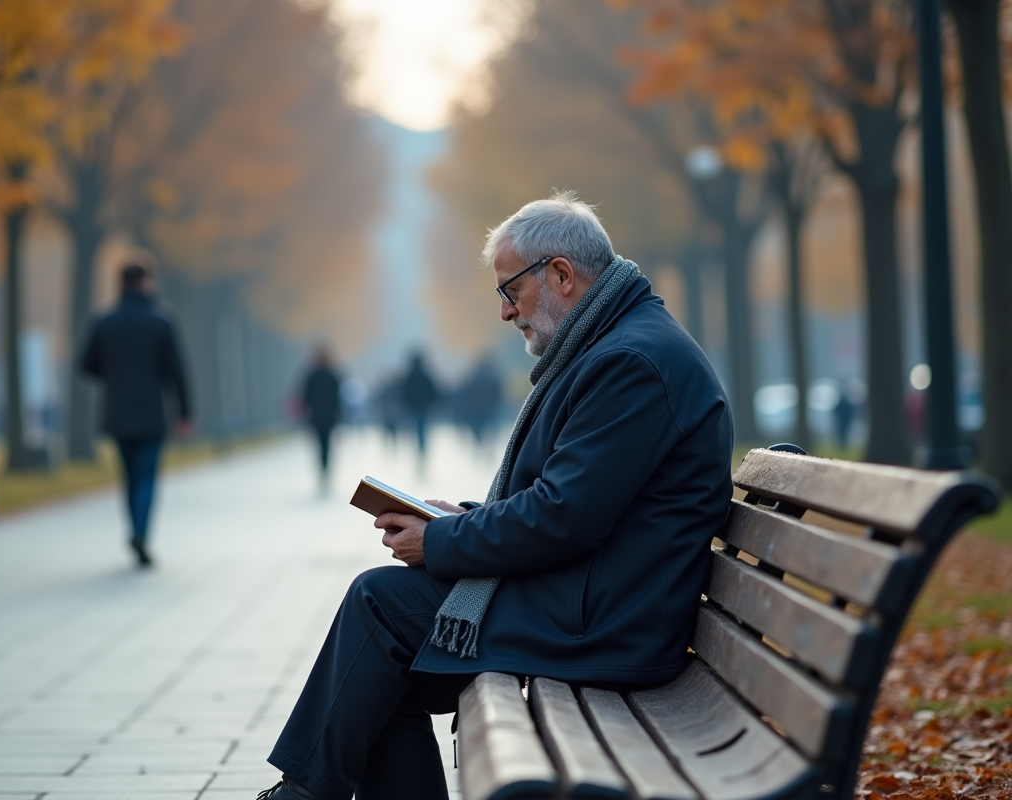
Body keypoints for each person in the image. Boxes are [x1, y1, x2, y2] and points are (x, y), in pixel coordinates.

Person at [256, 190, 733, 800]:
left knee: (378, 605)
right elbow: (570, 500)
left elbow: (564, 517)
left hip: (610, 621)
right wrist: (463, 519)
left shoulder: (633, 361)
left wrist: (443, 540)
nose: (507, 312)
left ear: (560, 274)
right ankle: (304, 791)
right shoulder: (615, 345)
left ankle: (303, 794)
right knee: (380, 663)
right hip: (599, 593)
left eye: (511, 290)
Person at [79, 262, 192, 568]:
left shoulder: (104, 321)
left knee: (129, 477)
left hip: (117, 410)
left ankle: (134, 529)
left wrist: (114, 371)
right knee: (147, 477)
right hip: (151, 412)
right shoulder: (161, 320)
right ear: (145, 283)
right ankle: (141, 532)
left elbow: (86, 364)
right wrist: (184, 413)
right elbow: (177, 372)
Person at [302, 347, 342, 493]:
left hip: (316, 417)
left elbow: (305, 397)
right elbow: (338, 398)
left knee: (319, 445)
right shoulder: (333, 376)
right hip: (330, 417)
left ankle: (322, 471)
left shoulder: (311, 376)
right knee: (327, 445)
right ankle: (326, 470)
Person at [400, 351, 439, 466]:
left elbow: (404, 393)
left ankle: (418, 452)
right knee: (422, 431)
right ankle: (421, 452)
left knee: (413, 431)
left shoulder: (409, 376)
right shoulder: (426, 376)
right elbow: (433, 392)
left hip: (412, 408)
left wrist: (406, 404)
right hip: (424, 408)